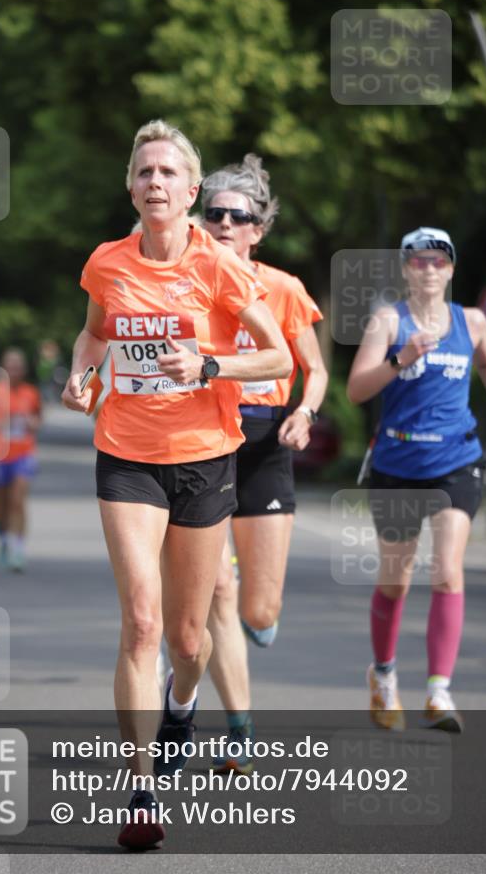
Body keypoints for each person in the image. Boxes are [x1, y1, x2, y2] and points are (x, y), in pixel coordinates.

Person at [62, 120, 292, 850]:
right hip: (126, 453)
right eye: (143, 172)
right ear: (130, 186)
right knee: (142, 621)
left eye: (168, 173)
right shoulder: (106, 262)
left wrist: (210, 367)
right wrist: (80, 374)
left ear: (190, 190)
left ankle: (183, 702)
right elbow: (94, 334)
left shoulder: (220, 268)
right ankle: (141, 791)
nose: (154, 183)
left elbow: (278, 359)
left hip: (203, 457)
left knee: (190, 639)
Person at [347, 227, 486, 733]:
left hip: (456, 460)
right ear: (406, 269)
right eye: (418, 261)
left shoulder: (469, 322)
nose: (428, 269)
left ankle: (438, 690)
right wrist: (401, 358)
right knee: (395, 582)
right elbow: (358, 388)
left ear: (450, 269)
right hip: (397, 465)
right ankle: (383, 675)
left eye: (437, 262)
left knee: (448, 571)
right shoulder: (389, 321)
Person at [200, 154, 328, 773]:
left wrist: (305, 412)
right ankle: (240, 729)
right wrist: (87, 384)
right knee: (218, 589)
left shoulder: (283, 289)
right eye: (214, 213)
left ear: (257, 228)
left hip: (269, 442)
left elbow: (317, 370)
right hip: (204, 440)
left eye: (236, 216)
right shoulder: (185, 284)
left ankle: (247, 622)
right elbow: (112, 338)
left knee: (259, 609)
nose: (223, 223)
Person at [0, 349, 42, 571]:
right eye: (10, 366)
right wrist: (3, 423)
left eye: (18, 366)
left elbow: (37, 419)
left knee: (17, 500)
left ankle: (18, 548)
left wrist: (31, 423)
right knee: (0, 504)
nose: (14, 370)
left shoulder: (30, 393)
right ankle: (4, 537)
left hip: (23, 453)